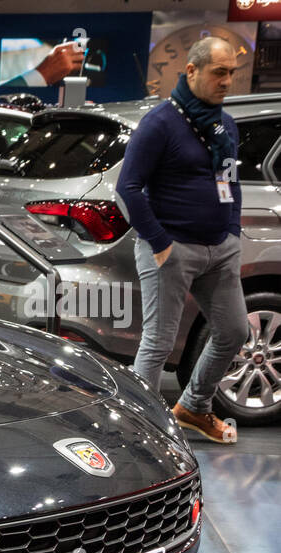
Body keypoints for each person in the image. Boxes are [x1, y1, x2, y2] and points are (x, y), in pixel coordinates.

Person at [116, 36, 248, 444]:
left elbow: (229, 178)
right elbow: (128, 188)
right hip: (172, 248)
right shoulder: (160, 122)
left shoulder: (224, 123)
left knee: (234, 331)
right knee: (157, 344)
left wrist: (233, 228)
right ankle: (134, 433)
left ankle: (194, 407)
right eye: (218, 72)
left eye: (231, 73)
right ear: (191, 71)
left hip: (219, 249)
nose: (227, 81)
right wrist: (159, 243)